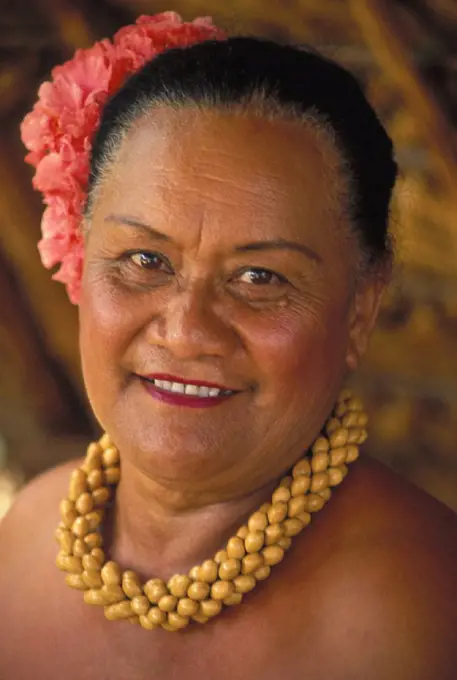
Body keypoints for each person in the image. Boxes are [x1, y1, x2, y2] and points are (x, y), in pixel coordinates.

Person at [1, 12, 456, 680]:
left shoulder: (419, 615)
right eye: (144, 260)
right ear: (80, 249)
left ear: (360, 307)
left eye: (258, 277)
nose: (186, 329)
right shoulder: (27, 535)